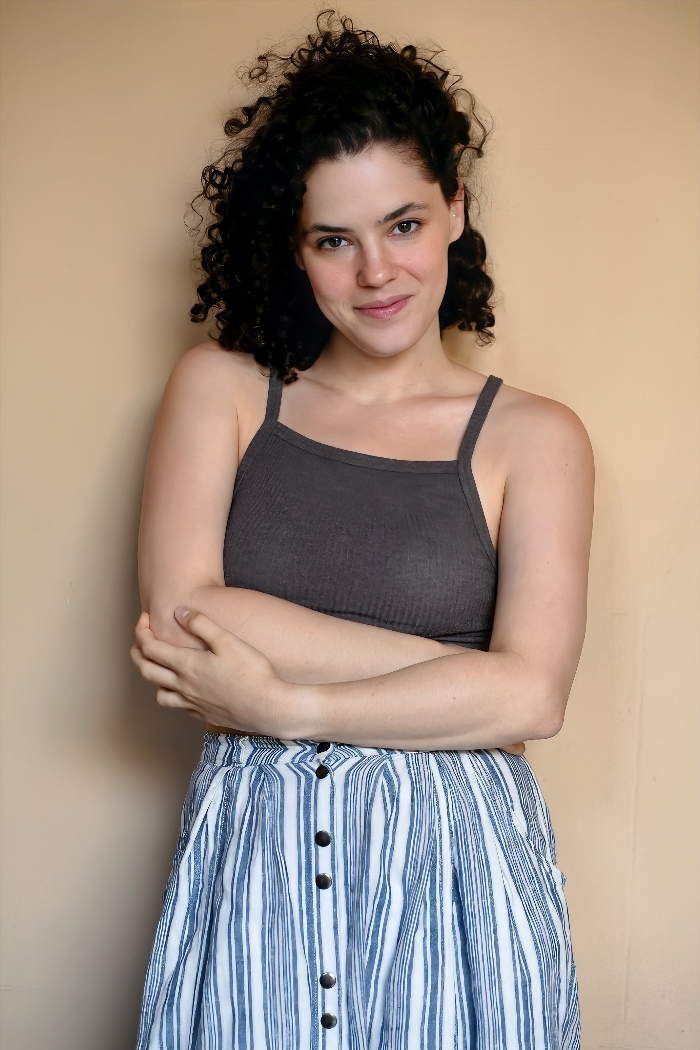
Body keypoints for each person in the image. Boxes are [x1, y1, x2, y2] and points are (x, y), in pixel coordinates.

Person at [130, 12, 592, 1048]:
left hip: (463, 878)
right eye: (333, 240)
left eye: (403, 224)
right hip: (255, 870)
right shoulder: (222, 390)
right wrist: (470, 680)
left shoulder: (537, 438)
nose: (376, 272)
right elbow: (185, 615)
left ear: (455, 208)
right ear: (294, 250)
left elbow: (536, 698)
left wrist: (288, 705)